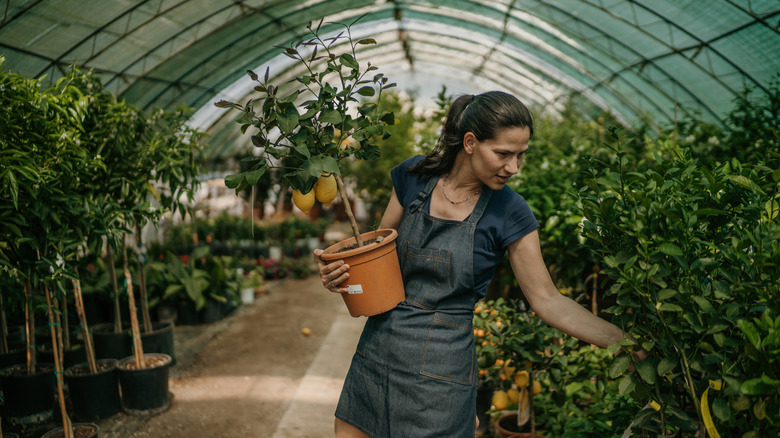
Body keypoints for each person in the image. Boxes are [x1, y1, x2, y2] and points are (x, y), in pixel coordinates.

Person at [314, 91, 641, 438]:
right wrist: (342, 277)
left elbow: (548, 300)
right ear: (470, 142)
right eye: (503, 154)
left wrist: (624, 342)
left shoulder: (510, 212)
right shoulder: (412, 177)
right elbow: (376, 262)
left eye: (520, 156)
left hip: (442, 375)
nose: (513, 168)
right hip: (378, 354)